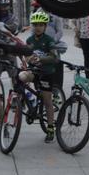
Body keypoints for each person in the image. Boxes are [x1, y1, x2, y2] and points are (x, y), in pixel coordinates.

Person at [21, 10, 60, 144]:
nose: (37, 27)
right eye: (35, 25)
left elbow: (54, 57)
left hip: (46, 72)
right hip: (34, 71)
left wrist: (41, 59)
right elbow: (26, 54)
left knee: (47, 101)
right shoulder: (29, 40)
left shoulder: (49, 40)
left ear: (45, 26)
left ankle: (50, 128)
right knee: (20, 77)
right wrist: (28, 58)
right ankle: (30, 101)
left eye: (40, 25)